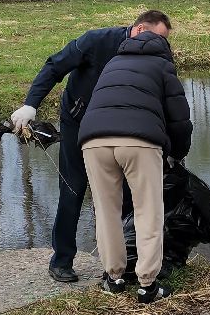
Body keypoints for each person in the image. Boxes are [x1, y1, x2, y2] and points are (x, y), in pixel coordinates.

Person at [10, 17, 138, 283]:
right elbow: (55, 66)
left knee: (125, 194)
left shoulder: (153, 53)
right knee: (72, 189)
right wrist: (31, 104)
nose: (158, 43)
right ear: (138, 29)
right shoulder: (96, 41)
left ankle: (122, 264)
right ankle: (61, 260)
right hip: (78, 122)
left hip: (119, 127)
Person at [78, 10, 191, 304]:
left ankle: (113, 277)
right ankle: (147, 285)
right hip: (139, 142)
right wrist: (177, 155)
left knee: (106, 211)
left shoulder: (113, 62)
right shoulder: (163, 66)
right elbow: (180, 119)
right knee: (147, 212)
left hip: (93, 141)